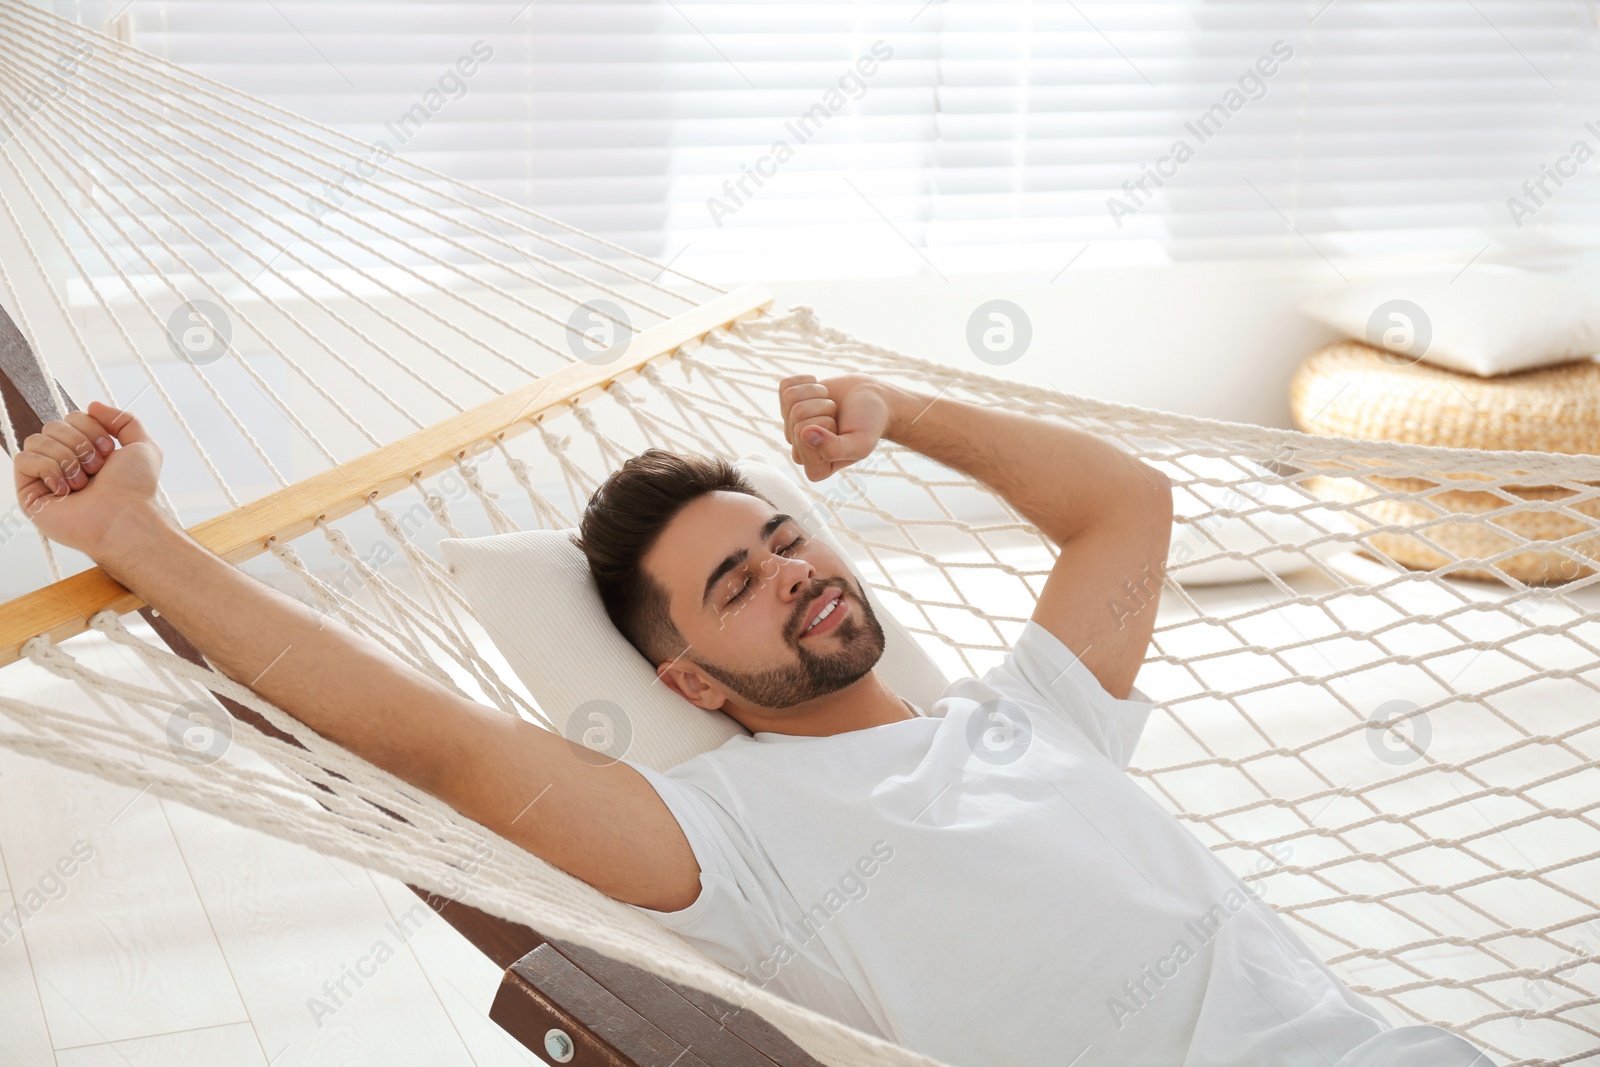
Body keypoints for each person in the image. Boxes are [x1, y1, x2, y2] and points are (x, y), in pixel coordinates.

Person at [13, 373, 1494, 1067]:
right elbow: (440, 747)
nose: (796, 572)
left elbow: (1127, 504)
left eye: (788, 538)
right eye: (737, 583)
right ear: (691, 685)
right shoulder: (730, 842)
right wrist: (139, 542)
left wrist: (896, 413)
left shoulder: (1035, 715)